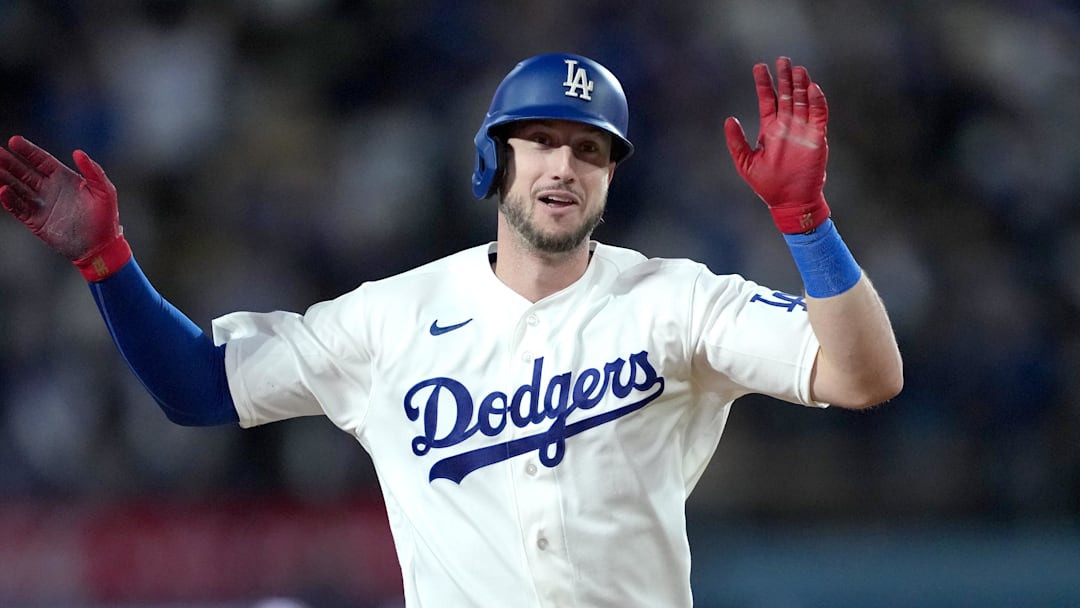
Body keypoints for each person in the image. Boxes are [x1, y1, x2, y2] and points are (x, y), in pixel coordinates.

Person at [0, 53, 902, 607]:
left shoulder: (677, 300)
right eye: (541, 139)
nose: (564, 164)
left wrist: (806, 221)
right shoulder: (388, 321)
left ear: (610, 177)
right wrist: (109, 262)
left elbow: (864, 377)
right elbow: (196, 389)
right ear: (492, 158)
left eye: (590, 149)